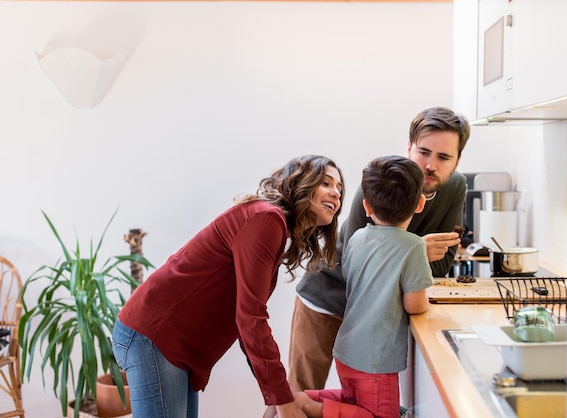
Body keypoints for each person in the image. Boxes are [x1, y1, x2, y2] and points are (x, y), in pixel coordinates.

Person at [112, 155, 345, 418]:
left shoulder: (271, 225)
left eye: (340, 188)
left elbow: (248, 323)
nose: (336, 193)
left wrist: (276, 394)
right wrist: (282, 400)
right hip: (155, 335)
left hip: (171, 344)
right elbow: (251, 318)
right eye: (327, 183)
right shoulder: (266, 220)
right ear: (301, 182)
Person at [288, 106, 471, 392]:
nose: (431, 165)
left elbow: (442, 263)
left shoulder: (456, 187)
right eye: (423, 152)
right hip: (326, 297)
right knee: (296, 398)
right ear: (408, 147)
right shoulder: (375, 184)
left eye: (444, 157)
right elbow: (356, 264)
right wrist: (413, 251)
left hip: (374, 309)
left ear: (457, 161)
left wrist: (412, 256)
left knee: (348, 404)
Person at [267, 155, 433, 418]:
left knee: (352, 402)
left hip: (347, 351)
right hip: (376, 361)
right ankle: (310, 405)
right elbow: (414, 304)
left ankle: (302, 398)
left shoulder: (356, 238)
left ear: (366, 206)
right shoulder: (414, 246)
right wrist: (426, 303)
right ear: (420, 203)